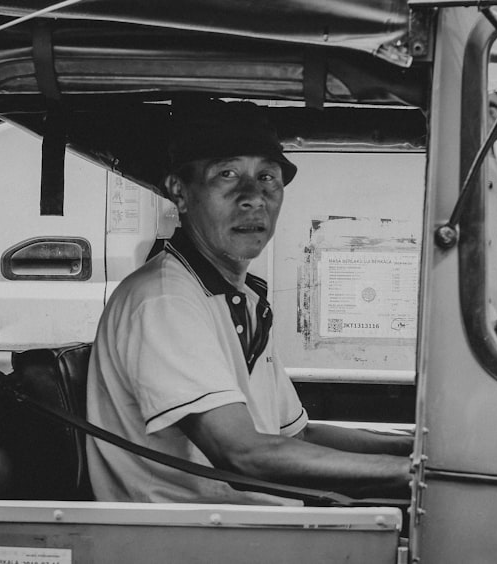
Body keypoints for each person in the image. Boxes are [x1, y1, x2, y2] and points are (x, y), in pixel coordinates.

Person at [85, 102, 413, 504]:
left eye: (267, 178)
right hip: (196, 540)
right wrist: (414, 475)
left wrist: (410, 450)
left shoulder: (241, 297)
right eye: (227, 174)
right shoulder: (165, 301)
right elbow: (242, 454)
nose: (253, 198)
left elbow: (297, 435)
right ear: (180, 192)